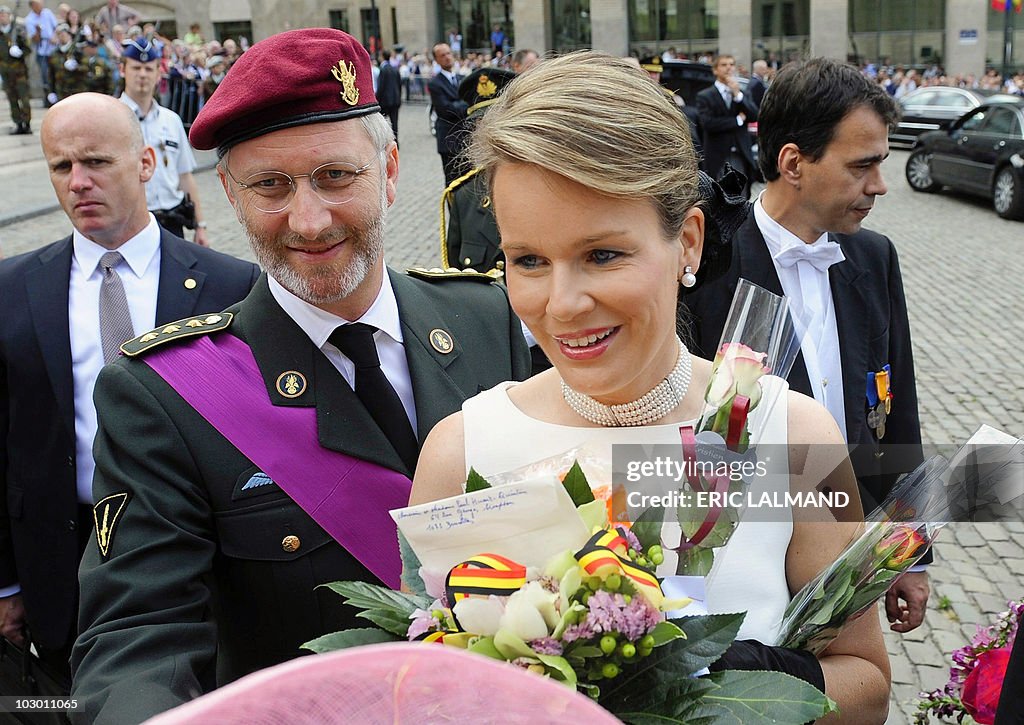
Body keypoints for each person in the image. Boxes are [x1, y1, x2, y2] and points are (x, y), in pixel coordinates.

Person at [409, 51, 890, 724]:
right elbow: (408, 680)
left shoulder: (796, 435)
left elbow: (868, 684)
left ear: (688, 243)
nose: (564, 302)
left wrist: (746, 691)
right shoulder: (458, 453)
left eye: (602, 254)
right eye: (528, 260)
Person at [70, 28, 530, 723]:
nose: (309, 220)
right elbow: (137, 636)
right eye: (271, 186)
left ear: (392, 169)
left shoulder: (488, 318)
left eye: (335, 176)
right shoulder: (165, 394)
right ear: (229, 192)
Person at [0, 92, 257, 690]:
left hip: (197, 555)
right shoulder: (13, 290)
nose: (79, 182)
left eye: (96, 162)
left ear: (146, 163)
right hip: (61, 558)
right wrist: (8, 583)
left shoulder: (229, 285)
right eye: (62, 167)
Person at [683, 57, 931, 633]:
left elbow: (899, 416)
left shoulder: (874, 256)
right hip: (740, 566)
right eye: (861, 166)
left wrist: (910, 550)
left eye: (881, 163)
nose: (879, 185)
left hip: (851, 553)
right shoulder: (708, 262)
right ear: (793, 163)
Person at [118, 37, 210, 246]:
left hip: (172, 223)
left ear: (159, 74)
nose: (142, 74)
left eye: (149, 69)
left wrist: (200, 225)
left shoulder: (171, 120)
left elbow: (185, 176)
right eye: (136, 68)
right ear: (123, 70)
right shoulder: (110, 117)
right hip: (130, 224)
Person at [695, 53, 758, 198]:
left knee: (741, 197)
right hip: (718, 156)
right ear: (715, 70)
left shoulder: (742, 94)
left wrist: (738, 96)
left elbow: (754, 116)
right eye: (724, 65)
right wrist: (737, 121)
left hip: (740, 154)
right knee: (719, 197)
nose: (728, 68)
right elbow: (708, 123)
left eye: (731, 64)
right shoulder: (705, 96)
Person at [428, 42, 468, 185]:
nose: (447, 57)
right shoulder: (435, 83)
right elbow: (446, 110)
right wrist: (466, 105)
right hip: (449, 141)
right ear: (437, 60)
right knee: (453, 183)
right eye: (442, 55)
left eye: (449, 53)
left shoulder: (462, 79)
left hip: (466, 138)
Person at [0, 5, 32, 134]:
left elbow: (28, 49)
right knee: (12, 100)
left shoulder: (18, 31)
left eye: (4, 15)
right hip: (6, 73)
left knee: (24, 99)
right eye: (0, 15)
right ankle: (18, 123)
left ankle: (27, 123)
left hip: (19, 73)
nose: (2, 17)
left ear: (9, 16)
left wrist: (20, 52)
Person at [25, 0, 58, 105]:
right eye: (38, 4)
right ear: (32, 6)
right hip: (41, 51)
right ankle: (47, 99)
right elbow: (34, 38)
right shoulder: (29, 19)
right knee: (45, 75)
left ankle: (58, 96)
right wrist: (38, 31)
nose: (41, 6)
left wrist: (54, 36)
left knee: (56, 73)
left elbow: (56, 27)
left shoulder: (47, 13)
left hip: (53, 49)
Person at [376, 49, 402, 144]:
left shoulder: (383, 69)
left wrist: (376, 99)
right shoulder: (394, 68)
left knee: (382, 122)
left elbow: (381, 87)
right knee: (394, 122)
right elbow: (399, 85)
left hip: (385, 101)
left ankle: (385, 141)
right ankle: (396, 142)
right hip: (395, 100)